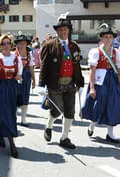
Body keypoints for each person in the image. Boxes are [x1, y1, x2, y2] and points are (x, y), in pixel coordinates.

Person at [39, 13, 84, 149]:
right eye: (60, 29)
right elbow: (44, 66)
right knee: (57, 111)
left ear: (68, 30)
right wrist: (41, 85)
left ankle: (64, 137)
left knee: (70, 112)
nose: (63, 31)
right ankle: (49, 125)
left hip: (70, 83)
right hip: (55, 83)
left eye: (65, 29)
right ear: (57, 31)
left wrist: (80, 82)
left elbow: (77, 65)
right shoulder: (49, 45)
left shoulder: (74, 46)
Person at [81, 25, 120, 144]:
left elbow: (118, 68)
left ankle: (110, 134)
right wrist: (92, 87)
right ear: (102, 39)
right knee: (98, 105)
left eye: (110, 37)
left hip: (112, 81)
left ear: (113, 38)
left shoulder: (115, 52)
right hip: (100, 82)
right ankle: (92, 125)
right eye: (106, 37)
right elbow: (92, 71)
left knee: (113, 105)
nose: (108, 39)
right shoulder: (96, 51)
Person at [0, 34, 23, 158]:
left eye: (8, 43)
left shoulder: (16, 58)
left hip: (12, 88)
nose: (6, 45)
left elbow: (19, 75)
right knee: (2, 113)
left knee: (10, 114)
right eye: (3, 43)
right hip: (0, 87)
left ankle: (2, 134)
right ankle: (12, 143)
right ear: (0, 46)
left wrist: (17, 80)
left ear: (11, 45)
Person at [14, 33, 36, 126]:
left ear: (26, 44)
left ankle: (23, 118)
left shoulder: (29, 54)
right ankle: (13, 117)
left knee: (25, 97)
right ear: (17, 44)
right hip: (15, 76)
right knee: (14, 97)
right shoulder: (13, 54)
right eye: (20, 43)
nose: (22, 45)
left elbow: (31, 67)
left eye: (23, 43)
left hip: (26, 76)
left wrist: (34, 79)